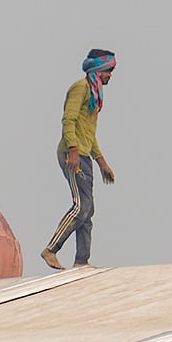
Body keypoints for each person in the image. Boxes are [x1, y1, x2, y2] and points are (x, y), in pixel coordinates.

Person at [41, 49, 116, 270]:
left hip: (83, 154)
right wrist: (73, 150)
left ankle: (82, 260)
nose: (110, 76)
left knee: (88, 210)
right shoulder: (80, 88)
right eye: (108, 71)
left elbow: (89, 133)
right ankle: (51, 250)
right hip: (71, 154)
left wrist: (102, 163)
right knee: (81, 206)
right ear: (98, 69)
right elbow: (69, 120)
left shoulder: (95, 95)